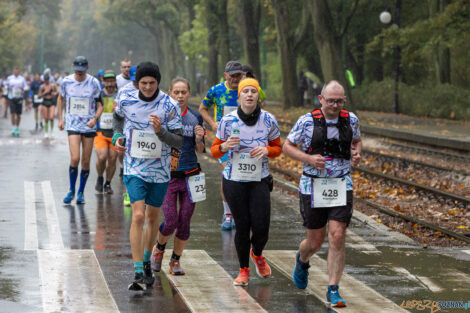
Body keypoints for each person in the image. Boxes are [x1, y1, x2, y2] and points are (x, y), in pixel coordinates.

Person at [282, 80, 362, 307]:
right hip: (313, 186)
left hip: (341, 184)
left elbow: (356, 141)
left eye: (340, 101)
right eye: (331, 101)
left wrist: (356, 155)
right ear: (321, 99)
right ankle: (303, 259)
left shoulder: (351, 120)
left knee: (337, 235)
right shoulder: (307, 121)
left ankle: (333, 288)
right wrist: (308, 159)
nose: (336, 105)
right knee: (314, 241)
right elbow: (287, 146)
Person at [112, 61, 183, 291]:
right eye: (144, 83)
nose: (148, 87)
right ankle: (137, 269)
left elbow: (179, 140)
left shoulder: (169, 104)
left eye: (152, 83)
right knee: (139, 215)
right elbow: (117, 118)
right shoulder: (126, 98)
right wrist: (116, 137)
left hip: (160, 171)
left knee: (153, 218)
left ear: (158, 82)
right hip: (134, 167)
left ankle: (146, 258)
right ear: (137, 83)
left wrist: (160, 131)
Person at [211, 78, 281, 286]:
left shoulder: (268, 120)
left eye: (253, 91)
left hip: (259, 179)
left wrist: (267, 150)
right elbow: (214, 150)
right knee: (242, 226)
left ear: (258, 95)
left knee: (261, 227)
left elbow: (278, 148)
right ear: (239, 95)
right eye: (245, 91)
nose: (249, 95)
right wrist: (224, 147)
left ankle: (257, 253)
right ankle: (243, 270)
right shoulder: (228, 121)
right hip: (234, 180)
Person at [151, 77, 205, 276]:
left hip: (192, 175)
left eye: (184, 92)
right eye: (176, 92)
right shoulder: (162, 116)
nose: (180, 96)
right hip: (168, 176)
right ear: (170, 93)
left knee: (185, 220)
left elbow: (200, 150)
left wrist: (199, 139)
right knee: (171, 219)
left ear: (189, 93)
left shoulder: (195, 117)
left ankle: (175, 261)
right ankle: (159, 248)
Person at [199, 60, 243, 230]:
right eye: (233, 76)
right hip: (223, 141)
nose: (236, 79)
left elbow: (261, 103)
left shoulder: (246, 90)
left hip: (244, 141)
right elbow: (203, 108)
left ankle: (239, 212)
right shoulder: (216, 91)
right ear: (226, 75)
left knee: (241, 177)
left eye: (239, 75)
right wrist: (212, 123)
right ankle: (227, 214)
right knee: (228, 172)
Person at [58, 56, 103, 204]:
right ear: (73, 67)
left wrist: (95, 119)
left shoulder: (93, 82)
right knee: (75, 158)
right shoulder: (66, 82)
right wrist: (60, 118)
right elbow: (60, 99)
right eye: (77, 71)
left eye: (82, 71)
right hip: (72, 124)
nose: (79, 73)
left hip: (89, 125)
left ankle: (81, 192)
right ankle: (71, 189)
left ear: (87, 68)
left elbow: (100, 105)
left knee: (85, 161)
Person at [94, 70, 118, 194]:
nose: (109, 84)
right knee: (102, 157)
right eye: (107, 81)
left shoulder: (119, 95)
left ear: (115, 81)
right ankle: (100, 176)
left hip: (115, 132)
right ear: (103, 81)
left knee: (113, 159)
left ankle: (108, 183)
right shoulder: (98, 95)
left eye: (112, 81)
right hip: (100, 131)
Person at [6, 67, 28, 136]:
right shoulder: (9, 78)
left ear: (19, 72)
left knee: (18, 114)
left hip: (19, 98)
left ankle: (17, 127)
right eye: (15, 71)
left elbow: (26, 87)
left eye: (17, 71)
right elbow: (6, 86)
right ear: (13, 71)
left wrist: (22, 88)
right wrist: (8, 87)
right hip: (12, 97)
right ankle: (13, 127)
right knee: (12, 113)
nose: (16, 72)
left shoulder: (22, 79)